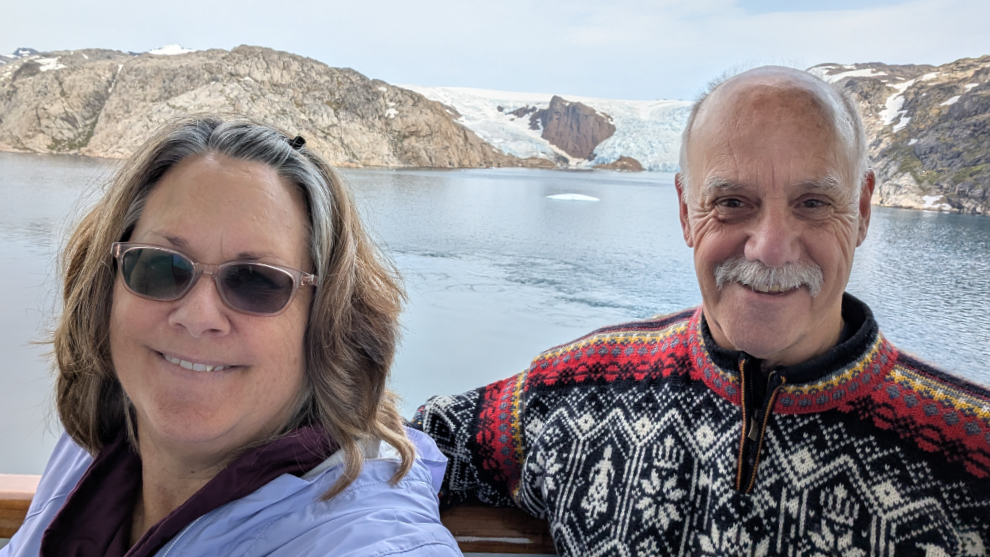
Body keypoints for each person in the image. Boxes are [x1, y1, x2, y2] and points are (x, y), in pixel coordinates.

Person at [414, 67, 990, 555]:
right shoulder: (580, 385)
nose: (769, 247)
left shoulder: (971, 450)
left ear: (862, 210)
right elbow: (405, 448)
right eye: (732, 203)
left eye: (813, 203)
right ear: (687, 211)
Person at [2, 116, 461, 557]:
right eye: (160, 266)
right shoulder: (102, 436)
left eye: (256, 281)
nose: (198, 316)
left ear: (325, 323)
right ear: (106, 289)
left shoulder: (363, 542)